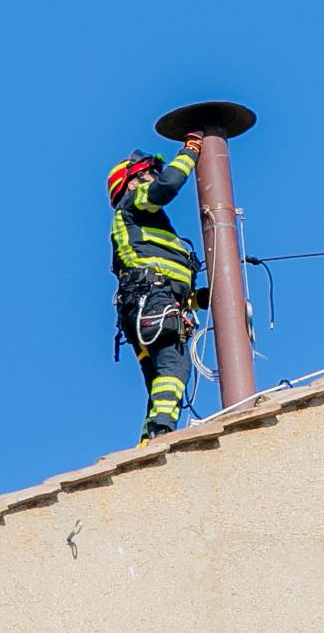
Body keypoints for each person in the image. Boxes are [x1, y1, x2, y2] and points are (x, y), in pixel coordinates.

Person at [107, 139, 209, 444]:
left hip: (151, 303)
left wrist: (203, 299)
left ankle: (148, 441)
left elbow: (169, 281)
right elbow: (168, 185)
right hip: (151, 301)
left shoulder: (153, 230)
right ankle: (162, 431)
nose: (154, 176)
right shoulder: (133, 204)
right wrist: (191, 149)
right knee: (174, 366)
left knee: (160, 379)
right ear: (133, 182)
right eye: (149, 172)